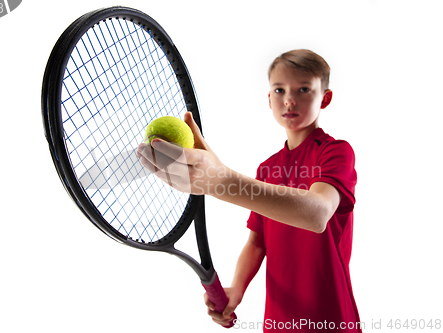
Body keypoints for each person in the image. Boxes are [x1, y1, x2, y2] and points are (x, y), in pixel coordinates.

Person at [137, 49, 361, 332]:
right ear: (269, 99)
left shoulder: (336, 152)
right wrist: (236, 290)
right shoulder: (267, 168)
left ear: (325, 98)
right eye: (279, 89)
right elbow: (257, 243)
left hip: (331, 319)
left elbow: (318, 213)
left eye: (304, 89)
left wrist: (221, 182)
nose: (289, 99)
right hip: (277, 322)